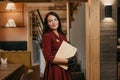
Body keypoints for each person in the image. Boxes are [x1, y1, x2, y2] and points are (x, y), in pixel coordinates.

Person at [42, 11, 76, 80]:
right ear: (47, 24)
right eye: (50, 21)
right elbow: (48, 57)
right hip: (54, 69)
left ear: (58, 21)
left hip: (65, 68)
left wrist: (72, 57)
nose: (54, 23)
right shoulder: (47, 36)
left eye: (55, 19)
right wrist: (67, 61)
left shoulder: (62, 35)